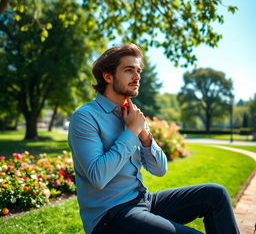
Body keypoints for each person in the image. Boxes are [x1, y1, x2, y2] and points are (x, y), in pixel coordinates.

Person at [68, 43, 240, 234]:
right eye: (129, 70)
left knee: (215, 195)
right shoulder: (85, 117)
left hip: (143, 201)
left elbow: (160, 169)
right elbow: (98, 177)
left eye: (138, 70)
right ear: (108, 76)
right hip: (109, 215)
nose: (137, 77)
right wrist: (131, 132)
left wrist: (145, 137)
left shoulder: (134, 115)